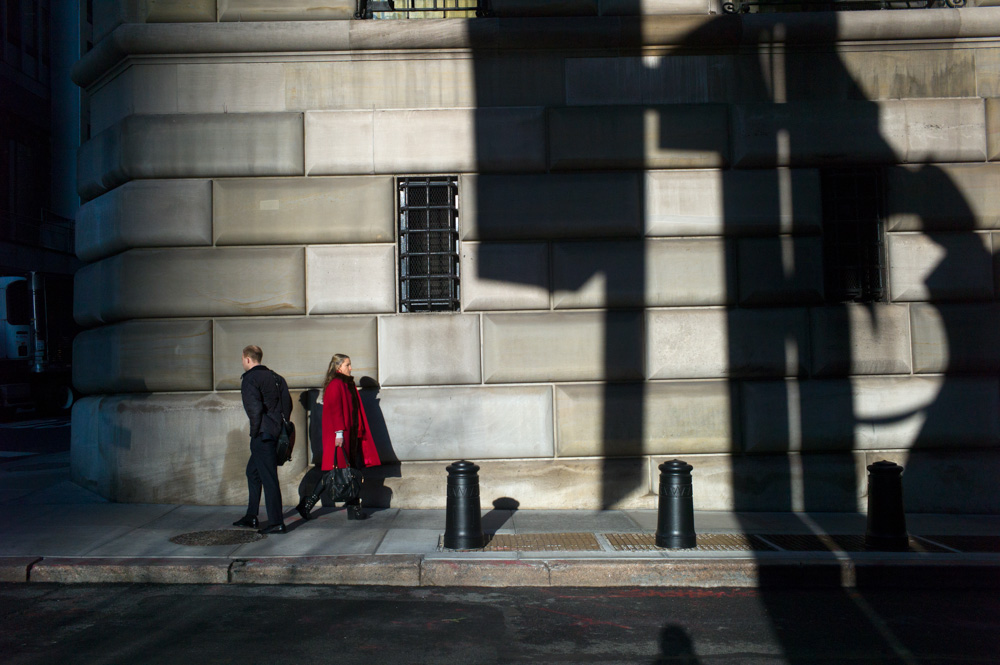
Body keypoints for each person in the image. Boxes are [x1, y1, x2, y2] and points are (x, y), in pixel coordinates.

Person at [296, 353, 381, 521]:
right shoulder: (336, 384)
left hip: (349, 435)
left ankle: (353, 509)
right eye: (347, 365)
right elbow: (336, 410)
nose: (350, 368)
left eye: (350, 364)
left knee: (349, 471)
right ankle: (308, 504)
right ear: (338, 366)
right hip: (340, 436)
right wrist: (339, 433)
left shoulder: (346, 384)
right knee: (335, 472)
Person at [233, 344, 292, 535]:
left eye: (242, 359)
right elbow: (287, 406)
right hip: (276, 433)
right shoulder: (276, 377)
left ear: (248, 359)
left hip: (262, 435)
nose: (242, 362)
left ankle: (276, 522)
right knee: (253, 472)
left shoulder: (250, 379)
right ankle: (251, 515)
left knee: (269, 479)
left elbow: (255, 410)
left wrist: (254, 433)